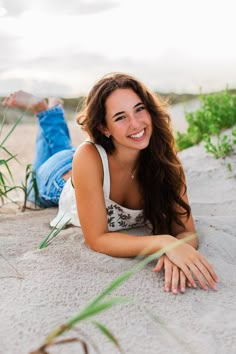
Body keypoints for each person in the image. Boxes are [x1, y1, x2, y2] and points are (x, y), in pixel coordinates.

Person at [2, 73, 218, 295]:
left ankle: (51, 111)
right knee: (41, 172)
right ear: (104, 127)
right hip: (58, 179)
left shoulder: (165, 161)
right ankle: (44, 111)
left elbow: (187, 232)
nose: (136, 123)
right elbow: (97, 238)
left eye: (139, 109)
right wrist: (163, 243)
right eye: (120, 117)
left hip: (95, 161)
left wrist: (176, 250)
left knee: (64, 148)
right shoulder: (87, 156)